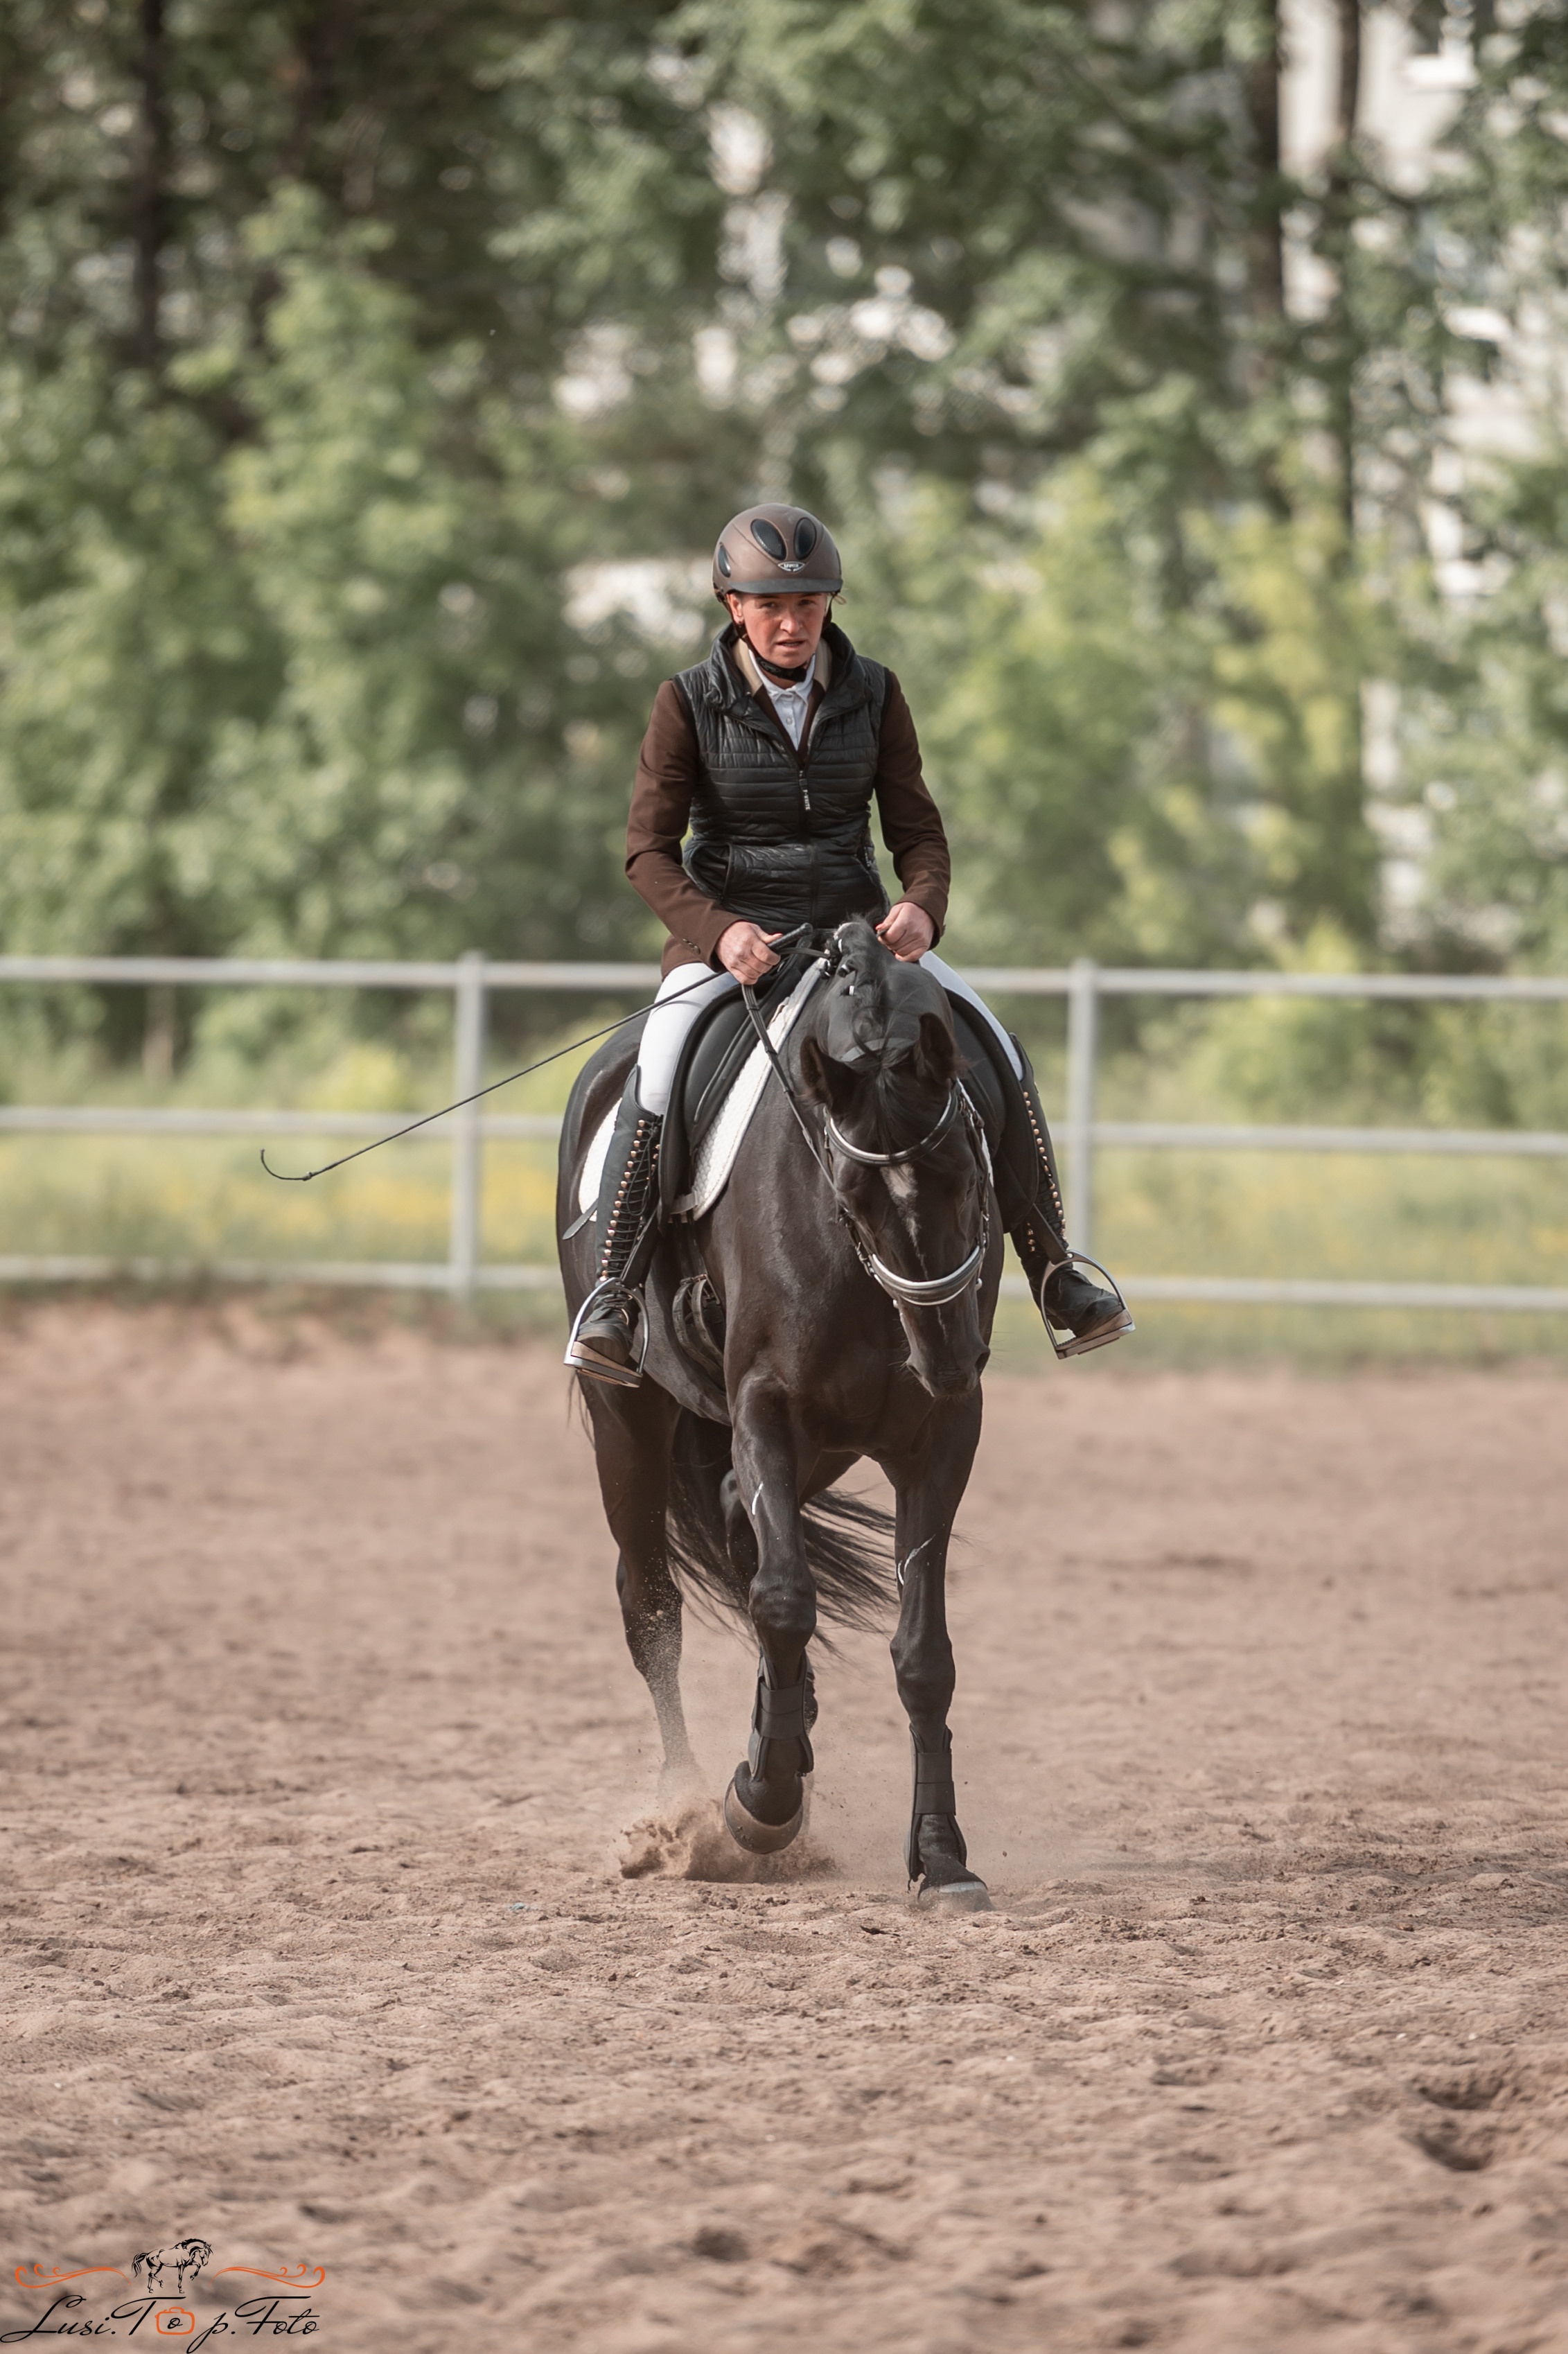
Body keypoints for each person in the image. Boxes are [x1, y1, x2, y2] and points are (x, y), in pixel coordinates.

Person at [565, 502, 1133, 1383]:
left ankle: (1055, 1269)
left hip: (858, 940)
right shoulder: (686, 701)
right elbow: (647, 851)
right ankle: (614, 1289)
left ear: (829, 604)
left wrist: (923, 908)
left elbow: (919, 832)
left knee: (1000, 1049)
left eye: (809, 604)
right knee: (664, 1058)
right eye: (770, 606)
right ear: (732, 606)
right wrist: (719, 934)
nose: (792, 623)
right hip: (737, 944)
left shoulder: (876, 690)